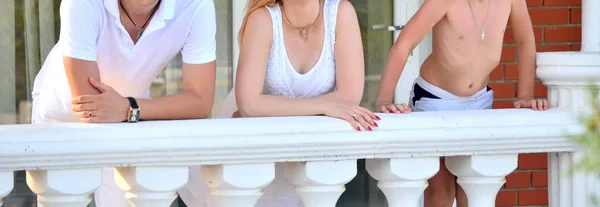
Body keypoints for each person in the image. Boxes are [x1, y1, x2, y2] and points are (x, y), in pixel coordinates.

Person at [30, 0, 216, 206]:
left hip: (127, 120)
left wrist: (130, 108)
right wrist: (130, 109)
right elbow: (92, 107)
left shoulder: (196, 4)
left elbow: (201, 100)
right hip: (62, 119)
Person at [374, 0, 549, 206]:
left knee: (472, 189)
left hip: (479, 102)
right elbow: (405, 44)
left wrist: (526, 94)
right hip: (435, 99)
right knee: (441, 193)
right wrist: (384, 99)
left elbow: (524, 41)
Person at [214, 0, 378, 205]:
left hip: (310, 157)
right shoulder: (263, 19)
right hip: (254, 155)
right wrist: (324, 106)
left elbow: (350, 96)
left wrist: (272, 107)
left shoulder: (340, 13)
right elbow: (248, 105)